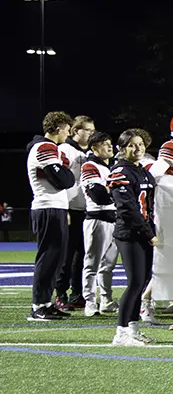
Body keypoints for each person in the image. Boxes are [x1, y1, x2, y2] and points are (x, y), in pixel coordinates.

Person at [26, 112, 77, 321]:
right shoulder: (45, 147)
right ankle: (38, 306)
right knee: (48, 257)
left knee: (56, 258)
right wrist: (65, 170)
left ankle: (45, 303)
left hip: (55, 208)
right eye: (66, 129)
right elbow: (64, 180)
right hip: (47, 207)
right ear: (57, 128)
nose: (68, 133)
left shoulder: (49, 148)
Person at [108, 129, 157, 346]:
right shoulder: (119, 171)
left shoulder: (143, 171)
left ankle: (132, 329)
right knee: (135, 283)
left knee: (141, 281)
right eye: (131, 145)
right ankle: (120, 333)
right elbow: (127, 208)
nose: (137, 148)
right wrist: (149, 234)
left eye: (140, 144)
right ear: (122, 148)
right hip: (129, 234)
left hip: (144, 232)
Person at [55, 115, 95, 311]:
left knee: (83, 254)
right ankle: (60, 293)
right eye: (86, 130)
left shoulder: (92, 152)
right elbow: (59, 180)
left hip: (87, 208)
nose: (90, 134)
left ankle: (77, 293)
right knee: (67, 253)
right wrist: (64, 207)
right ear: (74, 130)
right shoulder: (64, 150)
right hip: (70, 207)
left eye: (92, 131)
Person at [80, 132, 119, 316]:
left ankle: (106, 300)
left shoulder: (110, 167)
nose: (110, 147)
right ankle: (89, 302)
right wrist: (116, 189)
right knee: (92, 264)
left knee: (108, 265)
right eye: (104, 144)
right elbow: (98, 195)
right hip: (98, 219)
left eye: (110, 143)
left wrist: (110, 188)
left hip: (113, 220)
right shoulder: (90, 166)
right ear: (94, 148)